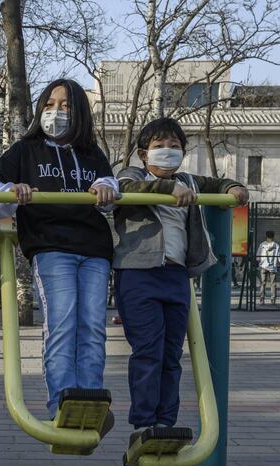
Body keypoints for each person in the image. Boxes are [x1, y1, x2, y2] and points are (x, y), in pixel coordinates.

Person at [0, 78, 117, 429]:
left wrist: (104, 187)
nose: (56, 112)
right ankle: (61, 402)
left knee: (92, 327)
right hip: (52, 245)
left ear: (80, 114)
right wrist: (11, 190)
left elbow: (110, 183)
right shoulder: (26, 150)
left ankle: (89, 398)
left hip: (94, 249)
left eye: (66, 106)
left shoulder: (92, 153)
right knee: (63, 323)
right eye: (50, 104)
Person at [105, 117, 249, 448]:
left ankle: (164, 423)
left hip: (175, 275)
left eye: (174, 146)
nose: (167, 152)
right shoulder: (134, 176)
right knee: (148, 350)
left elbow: (218, 183)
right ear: (144, 154)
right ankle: (143, 424)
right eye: (159, 147)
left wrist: (233, 188)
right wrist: (169, 189)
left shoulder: (189, 181)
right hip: (139, 273)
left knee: (171, 353)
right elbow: (123, 190)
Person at [256, 230, 280, 305]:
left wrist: (260, 261)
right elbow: (279, 257)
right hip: (273, 267)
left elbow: (258, 257)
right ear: (273, 236)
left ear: (266, 236)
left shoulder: (262, 245)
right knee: (273, 284)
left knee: (263, 283)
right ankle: (273, 300)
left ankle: (262, 300)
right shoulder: (276, 245)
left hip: (263, 266)